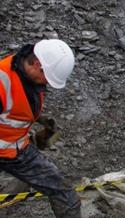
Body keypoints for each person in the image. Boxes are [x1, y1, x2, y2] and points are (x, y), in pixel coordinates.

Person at [0, 39, 81, 217]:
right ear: (37, 64)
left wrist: (39, 119)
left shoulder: (29, 76)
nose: (48, 83)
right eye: (47, 77)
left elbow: (15, 106)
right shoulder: (2, 80)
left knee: (64, 193)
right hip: (7, 151)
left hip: (17, 151)